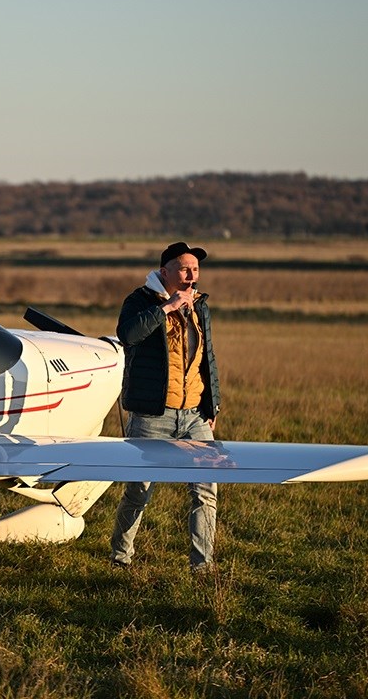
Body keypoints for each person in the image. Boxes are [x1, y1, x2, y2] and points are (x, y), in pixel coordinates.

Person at [110, 241, 221, 575]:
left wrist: (212, 403)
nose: (191, 275)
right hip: (152, 414)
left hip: (194, 415)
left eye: (196, 269)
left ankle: (203, 568)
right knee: (139, 491)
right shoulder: (140, 300)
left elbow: (207, 357)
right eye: (185, 268)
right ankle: (121, 558)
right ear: (165, 271)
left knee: (206, 490)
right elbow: (127, 335)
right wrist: (167, 308)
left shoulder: (200, 306)